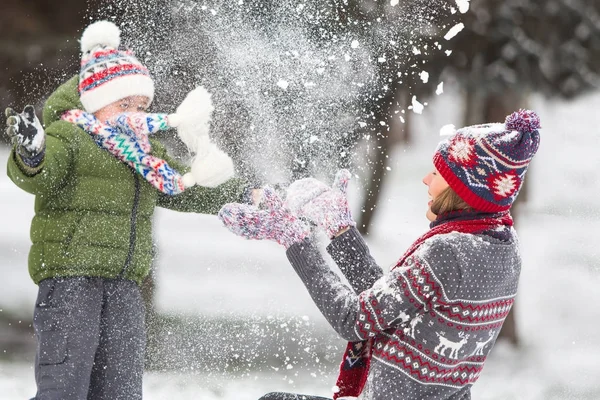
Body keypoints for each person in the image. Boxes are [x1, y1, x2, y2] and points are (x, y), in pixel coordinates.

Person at [5, 20, 257, 400]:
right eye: (124, 104)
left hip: (124, 282)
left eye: (142, 105)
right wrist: (32, 154)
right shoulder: (69, 136)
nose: (135, 113)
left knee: (120, 387)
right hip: (72, 279)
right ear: (95, 101)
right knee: (65, 385)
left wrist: (244, 194)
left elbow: (184, 185)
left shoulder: (143, 154)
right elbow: (40, 175)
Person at [218, 109, 541, 400]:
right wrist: (341, 232)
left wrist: (294, 239)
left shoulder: (448, 251)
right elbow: (389, 310)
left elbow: (355, 320)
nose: (426, 180)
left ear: (464, 190)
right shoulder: (503, 248)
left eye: (439, 174)